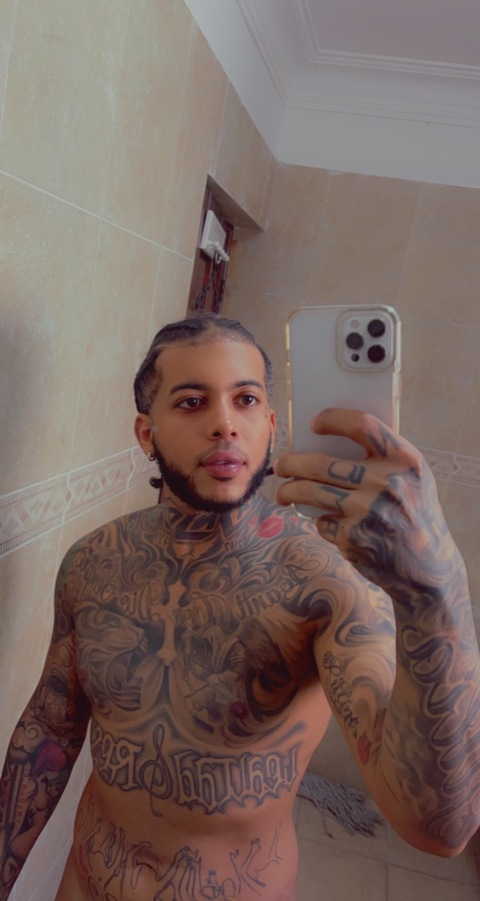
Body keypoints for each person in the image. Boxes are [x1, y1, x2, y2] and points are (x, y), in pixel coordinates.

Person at [1, 313, 479, 901]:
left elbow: (440, 829)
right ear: (147, 434)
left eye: (246, 400)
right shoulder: (93, 561)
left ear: (270, 427)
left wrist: (437, 592)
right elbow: (48, 732)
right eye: (192, 402)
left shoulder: (328, 584)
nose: (225, 423)